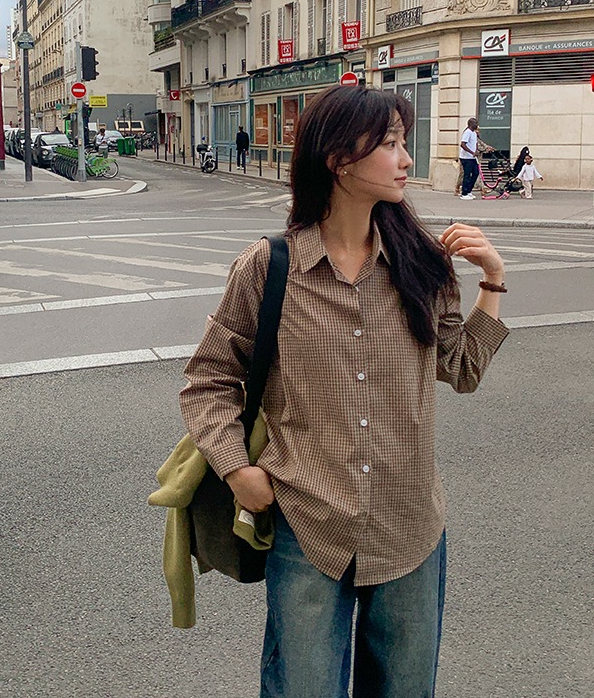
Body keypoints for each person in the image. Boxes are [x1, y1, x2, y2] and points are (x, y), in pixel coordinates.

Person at [179, 86, 509, 698]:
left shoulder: (423, 265)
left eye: (404, 142)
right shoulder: (269, 268)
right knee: (303, 687)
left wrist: (493, 281)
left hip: (409, 525)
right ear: (338, 160)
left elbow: (462, 368)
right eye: (390, 144)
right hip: (309, 523)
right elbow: (209, 380)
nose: (406, 159)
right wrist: (237, 470)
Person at [454, 126, 494, 196]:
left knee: (477, 173)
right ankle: (459, 189)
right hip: (467, 158)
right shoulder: (469, 135)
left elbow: (482, 144)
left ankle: (482, 189)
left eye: (478, 130)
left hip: (475, 159)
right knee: (463, 174)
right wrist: (486, 149)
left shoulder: (476, 137)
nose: (478, 131)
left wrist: (489, 147)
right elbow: (478, 147)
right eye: (477, 130)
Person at [458, 117, 480, 200]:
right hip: (466, 157)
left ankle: (469, 191)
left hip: (472, 157)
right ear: (471, 124)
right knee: (467, 174)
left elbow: (475, 143)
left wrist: (476, 151)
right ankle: (464, 193)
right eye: (475, 123)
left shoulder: (474, 133)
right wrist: (471, 152)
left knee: (476, 173)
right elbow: (463, 144)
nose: (477, 125)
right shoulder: (467, 132)